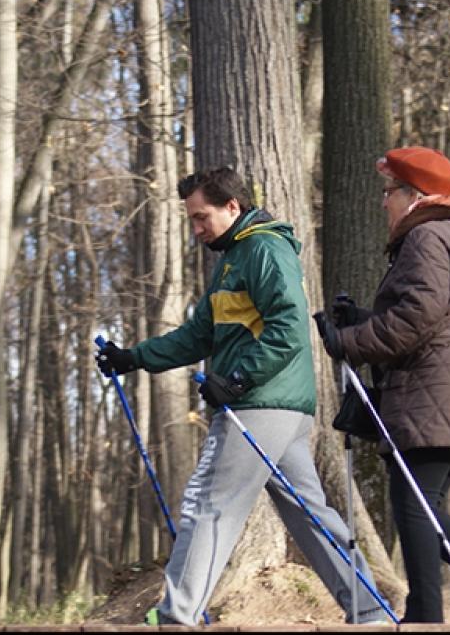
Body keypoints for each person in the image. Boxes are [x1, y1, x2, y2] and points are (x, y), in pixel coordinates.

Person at [96, 166, 387, 626]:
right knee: (309, 514)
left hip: (260, 403)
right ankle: (368, 609)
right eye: (191, 219)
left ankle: (176, 616)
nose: (196, 229)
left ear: (233, 206)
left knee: (208, 503)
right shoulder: (233, 259)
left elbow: (289, 331)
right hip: (278, 406)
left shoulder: (265, 250)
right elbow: (199, 335)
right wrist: (134, 358)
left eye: (201, 217)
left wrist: (235, 380)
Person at [313, 147, 450, 624]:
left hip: (436, 397)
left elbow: (417, 318)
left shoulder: (427, 239)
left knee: (415, 510)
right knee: (418, 509)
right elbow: (432, 319)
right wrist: (361, 321)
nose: (382, 202)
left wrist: (346, 341)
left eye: (389, 192)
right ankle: (449, 600)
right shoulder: (442, 238)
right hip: (443, 394)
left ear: (414, 196)